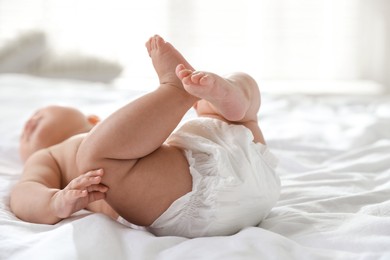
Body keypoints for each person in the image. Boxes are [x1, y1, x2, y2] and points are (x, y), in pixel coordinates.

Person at [10, 35, 280, 238]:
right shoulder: (48, 156)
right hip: (194, 201)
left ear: (94, 120)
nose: (28, 124)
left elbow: (134, 135)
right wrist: (55, 202)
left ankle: (232, 95)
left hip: (227, 163)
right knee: (92, 158)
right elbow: (24, 194)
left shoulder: (117, 134)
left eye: (40, 112)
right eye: (24, 136)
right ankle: (178, 91)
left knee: (222, 103)